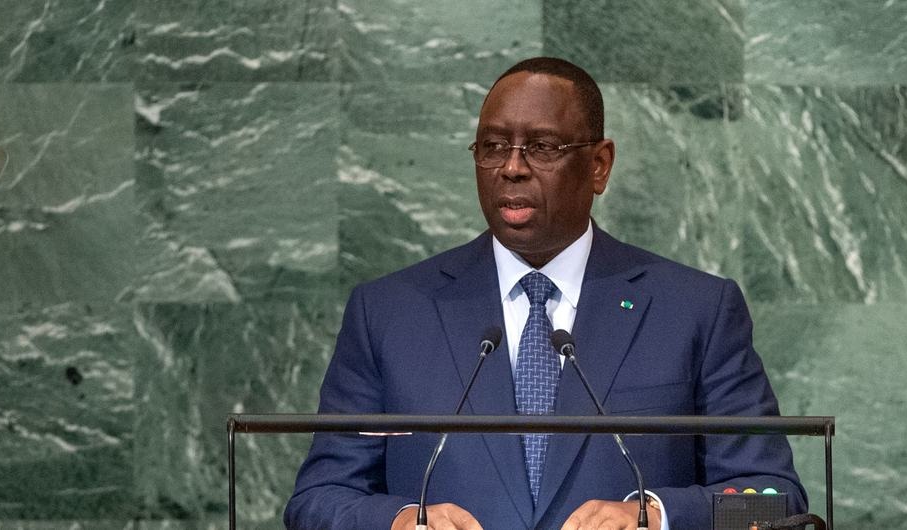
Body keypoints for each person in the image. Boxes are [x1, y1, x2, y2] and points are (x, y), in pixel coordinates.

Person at [285, 57, 806, 529]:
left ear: (599, 165)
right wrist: (397, 522)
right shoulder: (389, 313)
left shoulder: (696, 310)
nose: (512, 167)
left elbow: (775, 501)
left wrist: (658, 515)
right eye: (493, 147)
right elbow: (318, 499)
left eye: (542, 147)